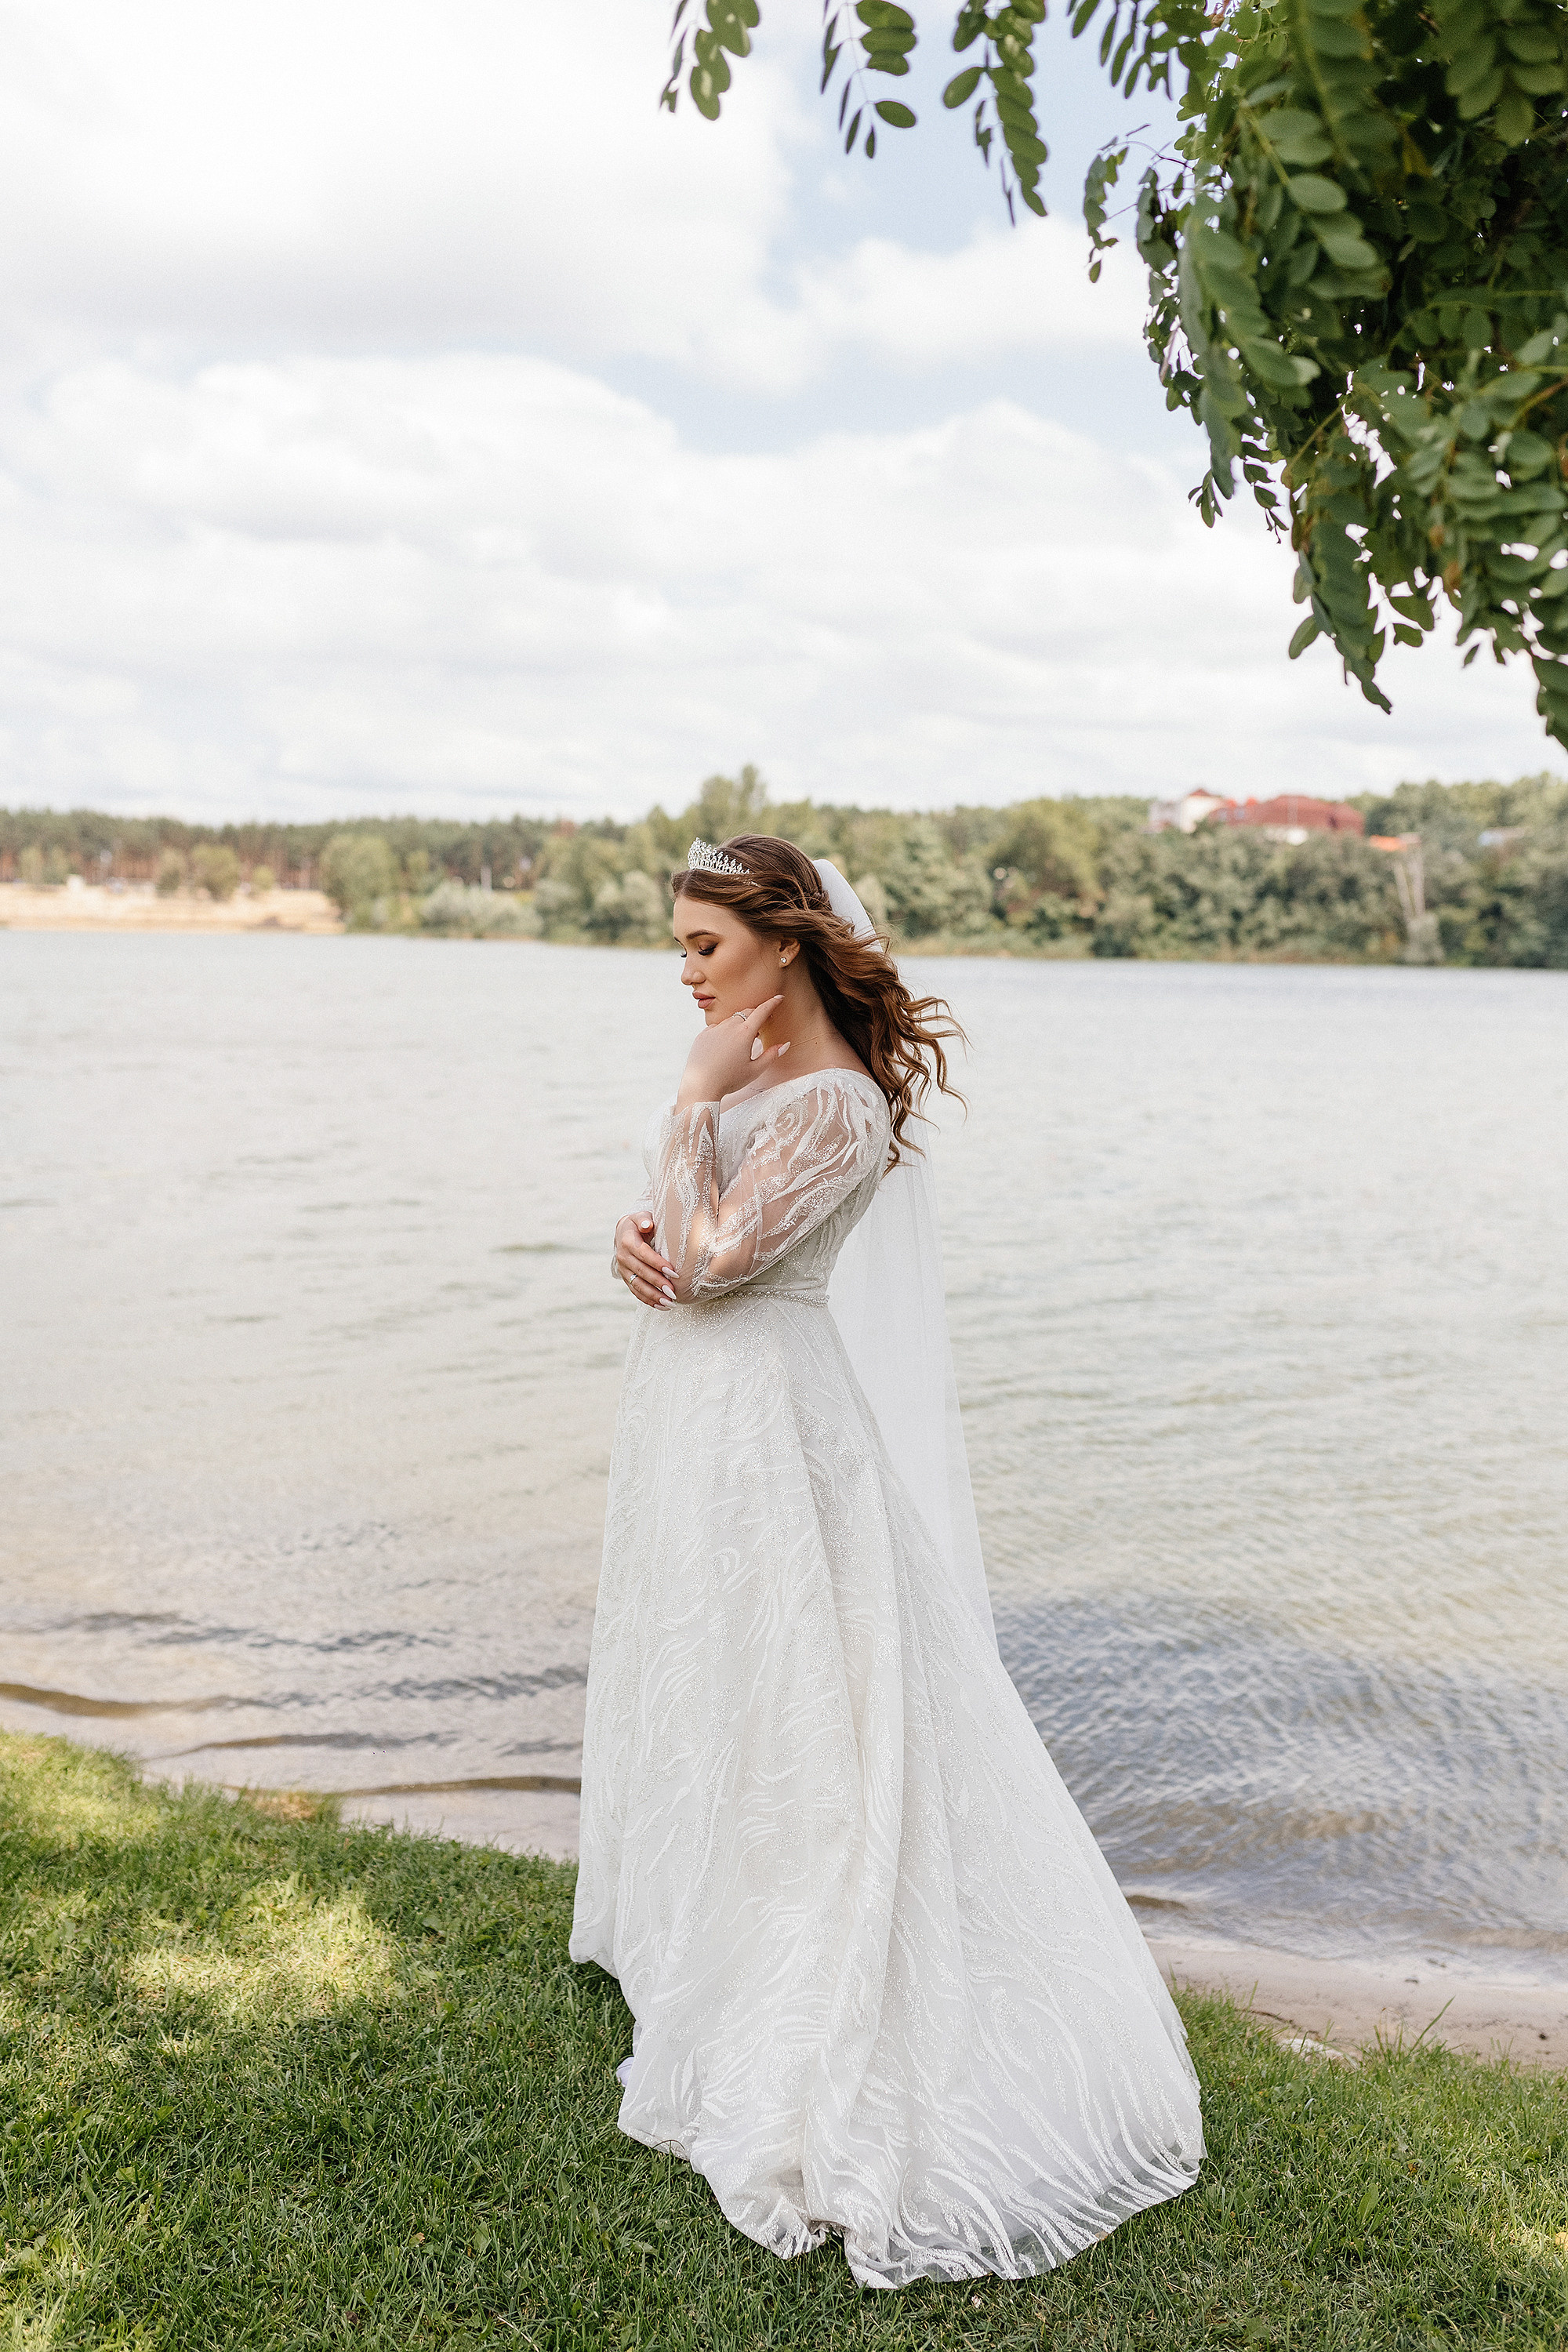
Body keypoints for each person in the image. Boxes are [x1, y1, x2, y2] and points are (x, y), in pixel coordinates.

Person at [569, 833, 1203, 2289]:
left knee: (808, 1697)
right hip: (688, 1410)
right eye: (676, 948)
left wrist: (687, 1112)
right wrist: (629, 1240)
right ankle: (698, 1926)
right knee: (709, 1668)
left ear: (785, 944)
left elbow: (729, 1262)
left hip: (778, 1420)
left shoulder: (840, 1106)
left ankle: (819, 1973)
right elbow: (679, 1243)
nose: (687, 975)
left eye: (705, 948)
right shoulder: (743, 1084)